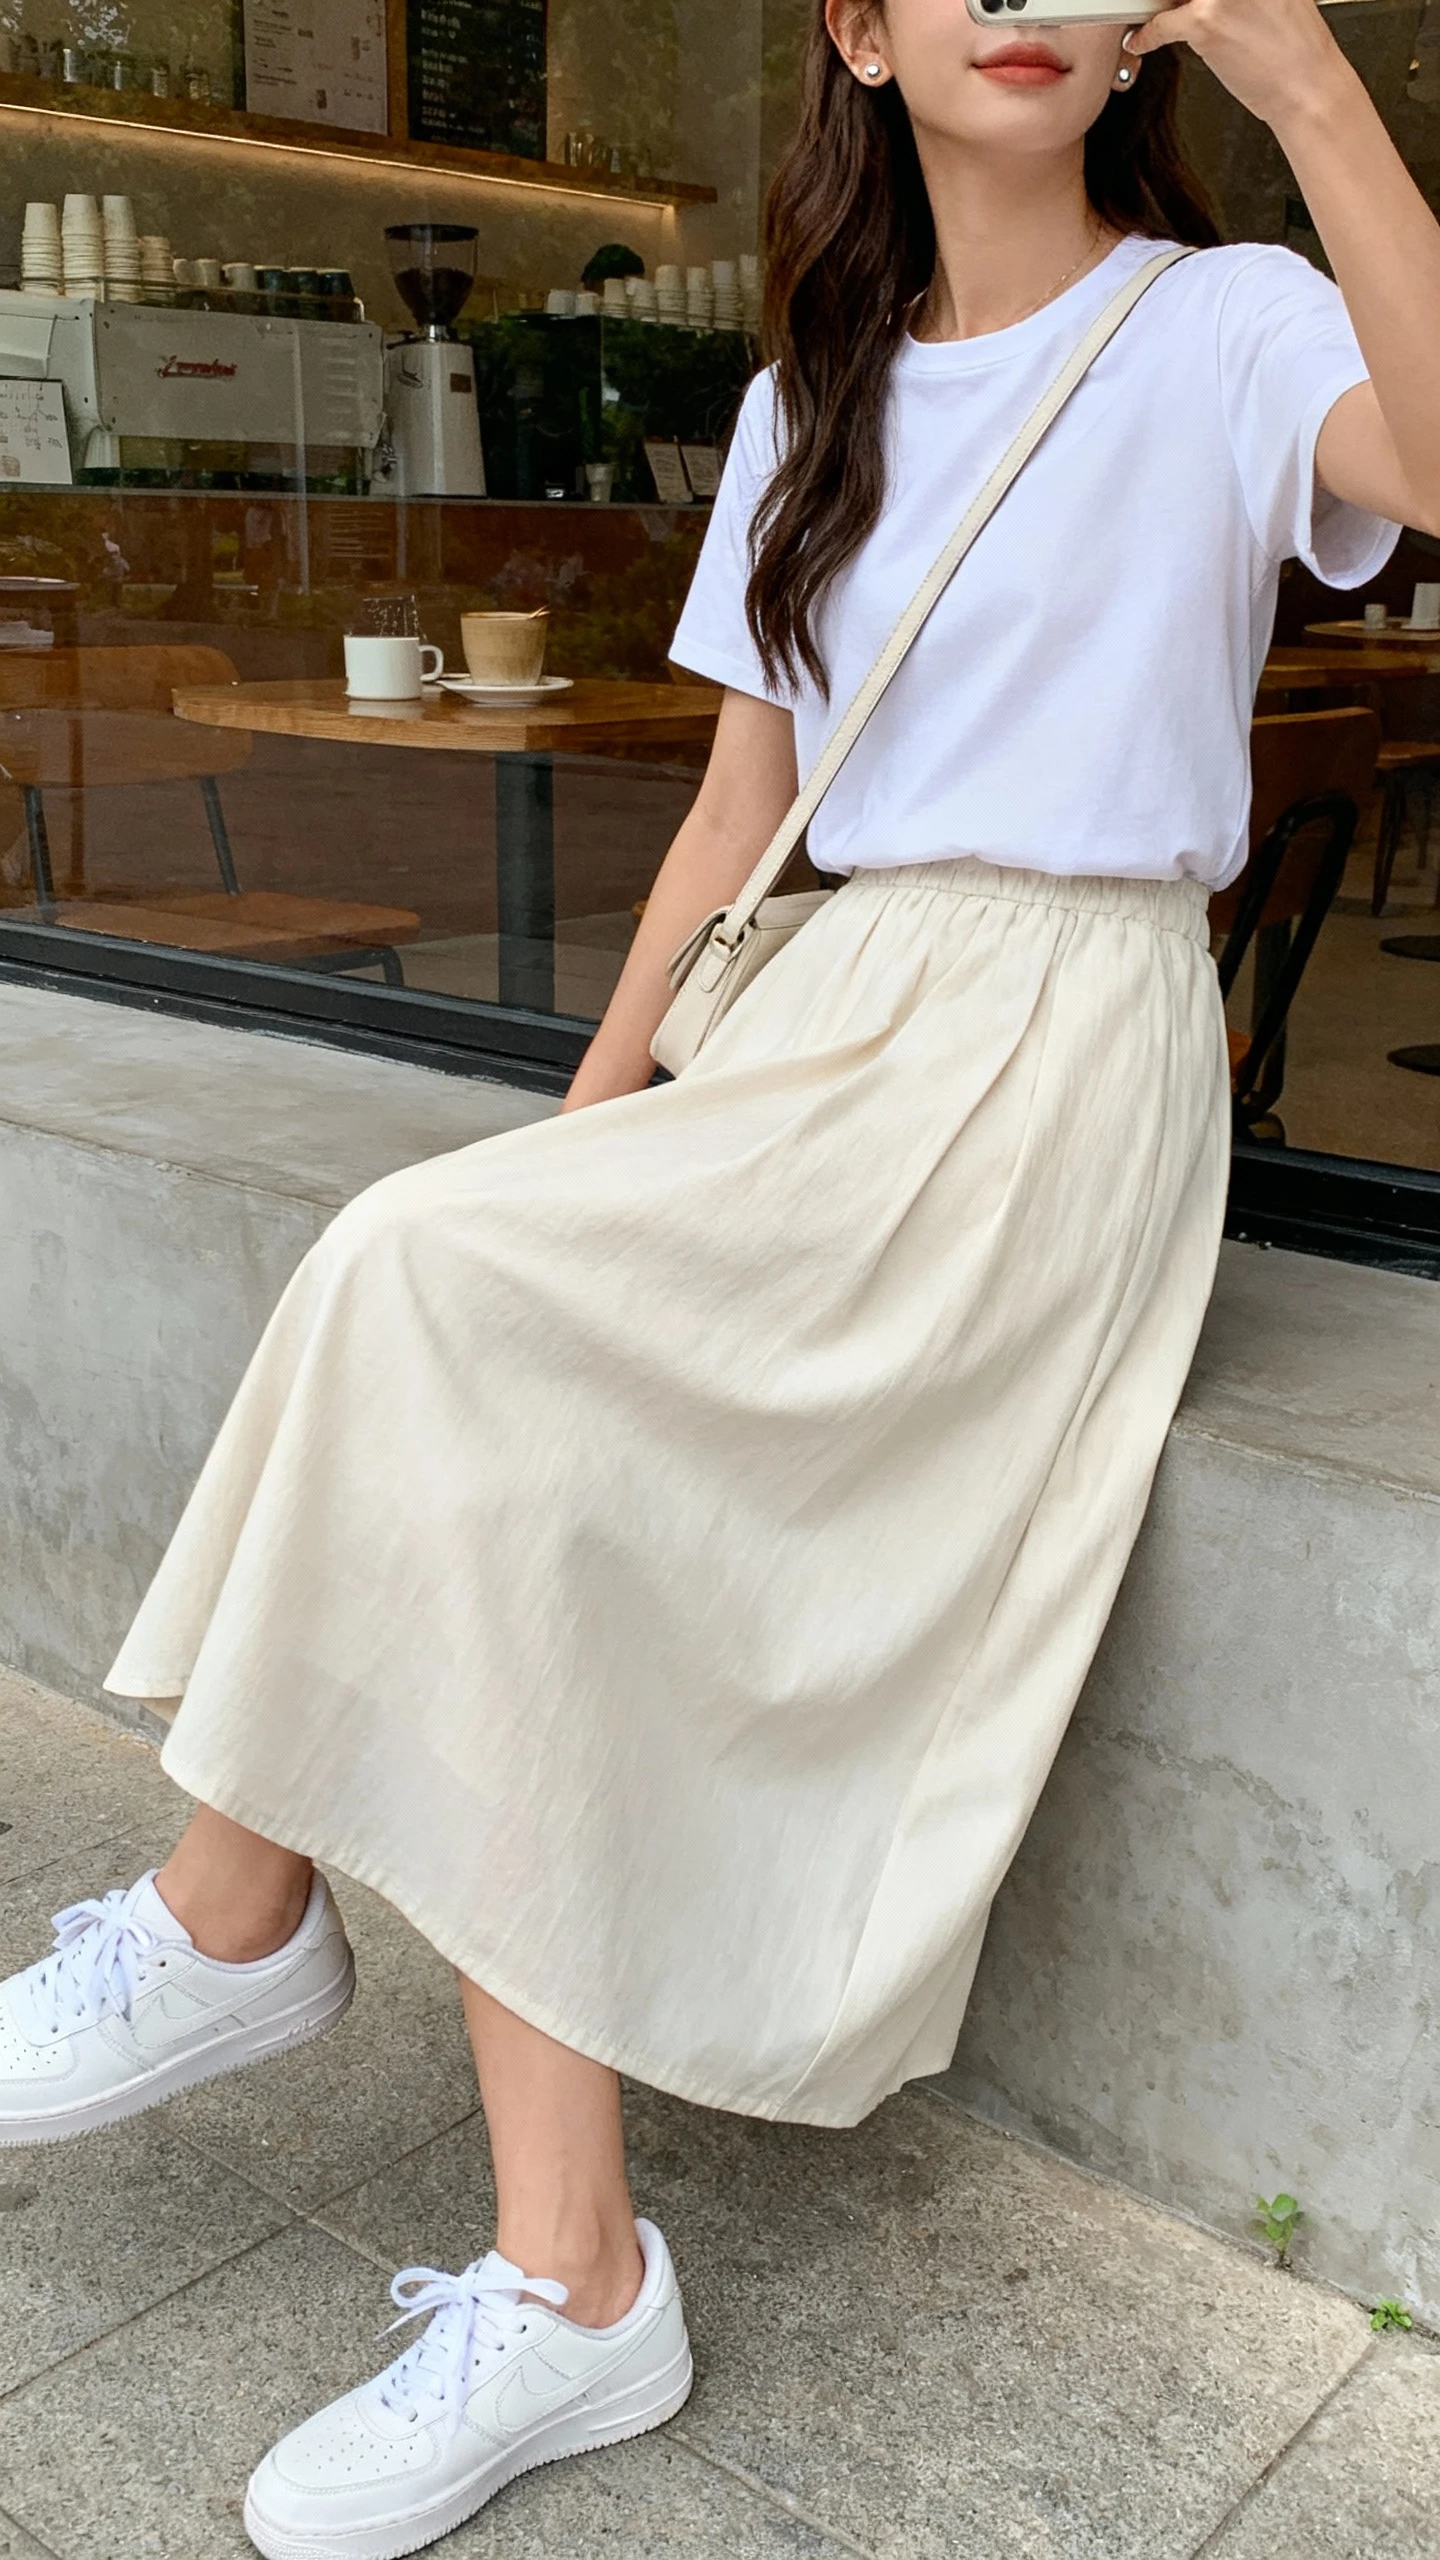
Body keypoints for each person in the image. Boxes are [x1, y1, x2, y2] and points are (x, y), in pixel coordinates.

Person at [2, 0, 1434, 2551]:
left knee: (438, 1298)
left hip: (1056, 1058)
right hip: (823, 1023)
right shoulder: (815, 396)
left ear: (1136, 38)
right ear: (862, 37)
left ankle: (246, 1927)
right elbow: (732, 828)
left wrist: (1317, 88)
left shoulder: (1228, 324)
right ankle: (562, 2268)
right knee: (440, 1298)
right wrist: (583, 1158)